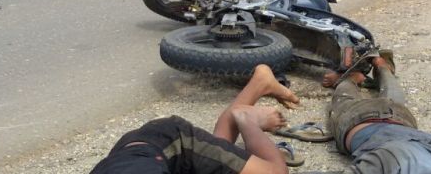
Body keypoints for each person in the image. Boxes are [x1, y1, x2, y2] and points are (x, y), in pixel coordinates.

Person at [90, 64, 300, 174]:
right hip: (139, 153)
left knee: (275, 171)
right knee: (219, 158)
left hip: (174, 144)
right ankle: (259, 83)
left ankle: (248, 118)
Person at [320, 52, 431, 173]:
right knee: (344, 97)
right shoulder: (397, 158)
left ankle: (380, 68)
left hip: (401, 121)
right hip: (360, 119)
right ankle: (355, 77)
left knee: (391, 94)